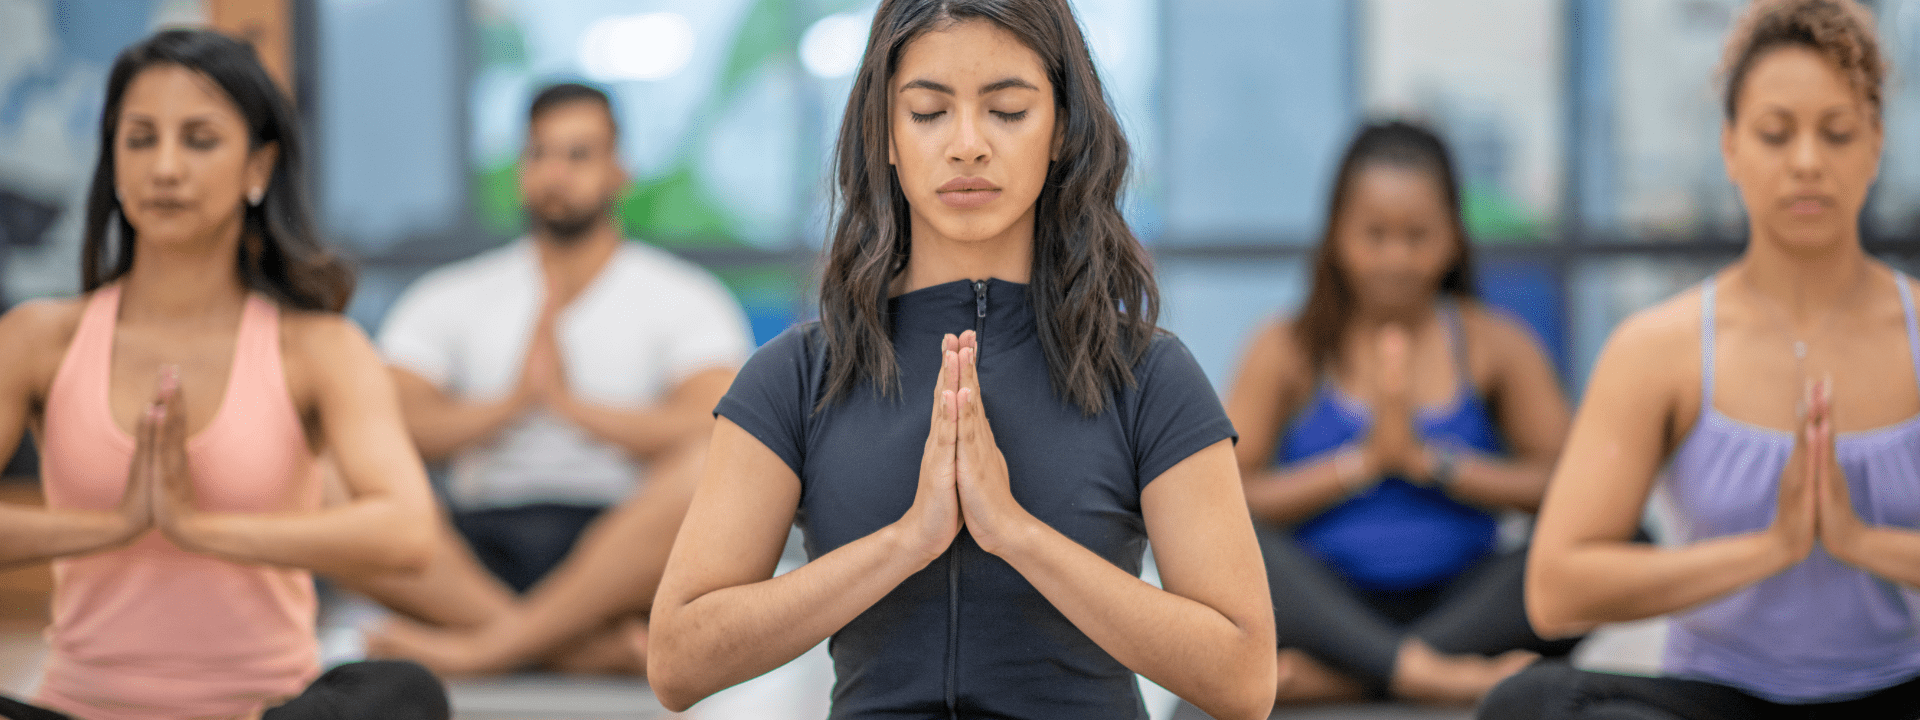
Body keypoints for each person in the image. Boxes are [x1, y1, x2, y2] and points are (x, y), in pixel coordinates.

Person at [645, 1, 1277, 718]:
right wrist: (907, 542)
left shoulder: (1149, 375)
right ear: (885, 132)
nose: (968, 144)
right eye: (928, 112)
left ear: (1062, 129)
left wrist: (1016, 534)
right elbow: (677, 660)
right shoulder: (796, 375)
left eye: (1007, 110)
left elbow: (1244, 679)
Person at [1483, 1, 1920, 718]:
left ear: (1874, 145)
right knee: (1526, 704)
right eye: (1776, 134)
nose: (1807, 161)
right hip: (1716, 699)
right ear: (1731, 148)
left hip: (1898, 689)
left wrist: (1859, 541)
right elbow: (1557, 589)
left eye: (1837, 133)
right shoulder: (1660, 347)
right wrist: (1770, 549)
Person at [0, 29, 447, 719]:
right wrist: (114, 524)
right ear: (113, 160)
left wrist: (203, 530)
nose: (166, 168)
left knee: (406, 693)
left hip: (262, 713)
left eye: (200, 139)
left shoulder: (318, 347)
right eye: (141, 138)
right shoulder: (38, 338)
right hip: (78, 709)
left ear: (257, 167)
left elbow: (407, 532)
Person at [351, 82, 753, 676]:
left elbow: (719, 428)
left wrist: (576, 409)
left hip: (622, 546)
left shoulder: (684, 297)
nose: (556, 173)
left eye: (579, 154)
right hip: (473, 545)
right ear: (520, 170)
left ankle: (485, 648)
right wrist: (508, 407)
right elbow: (387, 423)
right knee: (335, 473)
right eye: (540, 154)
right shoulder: (450, 295)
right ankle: (568, 647)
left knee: (714, 465)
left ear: (620, 170)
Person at [1223, 120, 1573, 707]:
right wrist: (1363, 464)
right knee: (1230, 548)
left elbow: (1568, 487)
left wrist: (1428, 463)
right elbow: (1228, 498)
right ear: (1336, 235)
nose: (1396, 257)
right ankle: (1426, 672)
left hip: (1463, 600)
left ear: (1454, 238)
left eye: (1418, 236)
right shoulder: (1285, 348)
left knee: (1621, 535)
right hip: (1322, 602)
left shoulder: (1497, 346)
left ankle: (1357, 674)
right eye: (1375, 235)